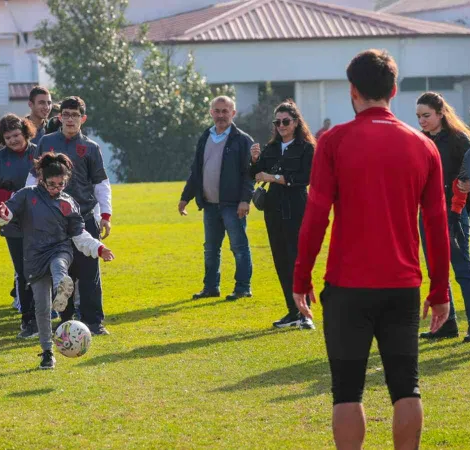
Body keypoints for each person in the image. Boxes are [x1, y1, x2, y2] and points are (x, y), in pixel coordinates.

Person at [293, 49, 450, 450]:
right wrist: (439, 290)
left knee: (347, 391)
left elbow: (316, 215)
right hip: (401, 285)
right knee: (406, 386)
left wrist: (300, 276)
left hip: (348, 286)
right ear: (394, 90)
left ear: (353, 92)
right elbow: (436, 224)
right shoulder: (423, 145)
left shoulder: (334, 141)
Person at [0, 152, 114, 369]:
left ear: (66, 182)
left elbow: (79, 235)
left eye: (61, 184)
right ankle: (48, 352)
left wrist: (99, 248)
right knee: (41, 306)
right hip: (34, 255)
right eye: (52, 184)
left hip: (60, 249)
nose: (56, 189)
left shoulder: (68, 203)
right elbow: (6, 212)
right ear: (42, 178)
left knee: (59, 266)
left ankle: (61, 286)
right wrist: (1, 214)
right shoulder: (26, 195)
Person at [29, 96, 113, 335]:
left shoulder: (91, 147)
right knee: (61, 272)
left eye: (75, 115)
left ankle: (94, 322)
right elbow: (33, 178)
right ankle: (65, 321)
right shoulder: (46, 142)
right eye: (65, 114)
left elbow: (101, 183)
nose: (69, 119)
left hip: (84, 217)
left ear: (82, 119)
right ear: (59, 117)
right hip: (52, 220)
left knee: (89, 274)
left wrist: (105, 214)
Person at [179, 96, 254, 301]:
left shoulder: (243, 140)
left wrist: (245, 200)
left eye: (225, 111)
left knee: (239, 247)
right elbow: (196, 170)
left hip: (233, 205)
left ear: (233, 113)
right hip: (210, 205)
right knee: (211, 249)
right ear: (211, 112)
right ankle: (211, 287)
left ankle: (243, 288)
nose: (221, 115)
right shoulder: (206, 136)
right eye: (217, 111)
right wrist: (185, 197)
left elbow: (250, 174)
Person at [249, 101, 315, 329]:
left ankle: (305, 313)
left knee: (297, 260)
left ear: (296, 123)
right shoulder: (272, 148)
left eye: (286, 121)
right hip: (274, 210)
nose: (281, 126)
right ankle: (292, 310)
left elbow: (305, 178)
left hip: (296, 208)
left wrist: (274, 178)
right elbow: (254, 174)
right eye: (277, 122)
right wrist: (255, 160)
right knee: (281, 260)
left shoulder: (306, 148)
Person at [415, 92, 470, 342]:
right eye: (418, 117)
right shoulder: (420, 141)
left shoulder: (460, 140)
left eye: (426, 116)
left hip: (454, 215)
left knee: (462, 269)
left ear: (441, 113)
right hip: (426, 214)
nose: (422, 121)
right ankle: (447, 324)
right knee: (436, 271)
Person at [0, 114, 40, 338]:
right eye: (8, 137)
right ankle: (28, 320)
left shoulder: (40, 151)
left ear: (25, 132)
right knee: (23, 271)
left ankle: (52, 313)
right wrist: (16, 196)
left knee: (47, 267)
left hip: (42, 220)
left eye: (16, 135)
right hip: (13, 224)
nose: (13, 140)